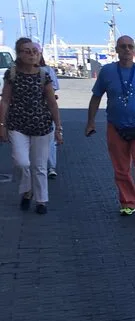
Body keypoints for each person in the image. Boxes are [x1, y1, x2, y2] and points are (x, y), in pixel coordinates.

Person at [85, 35, 135, 221]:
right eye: (123, 46)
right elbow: (96, 97)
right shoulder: (107, 71)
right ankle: (128, 202)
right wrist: (90, 121)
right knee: (121, 168)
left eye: (130, 46)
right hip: (116, 127)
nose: (126, 50)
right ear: (116, 50)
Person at [0, 38, 63, 214]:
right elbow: (5, 100)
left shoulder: (44, 75)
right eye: (27, 51)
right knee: (22, 162)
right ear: (19, 54)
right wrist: (2, 124)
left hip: (41, 125)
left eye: (35, 51)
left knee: (40, 166)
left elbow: (52, 103)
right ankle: (27, 190)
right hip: (17, 125)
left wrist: (58, 128)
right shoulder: (12, 74)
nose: (32, 54)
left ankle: (41, 200)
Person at [34, 43, 61, 179]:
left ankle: (51, 166)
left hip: (46, 109)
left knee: (50, 140)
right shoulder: (17, 72)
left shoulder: (47, 70)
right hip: (29, 112)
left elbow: (54, 87)